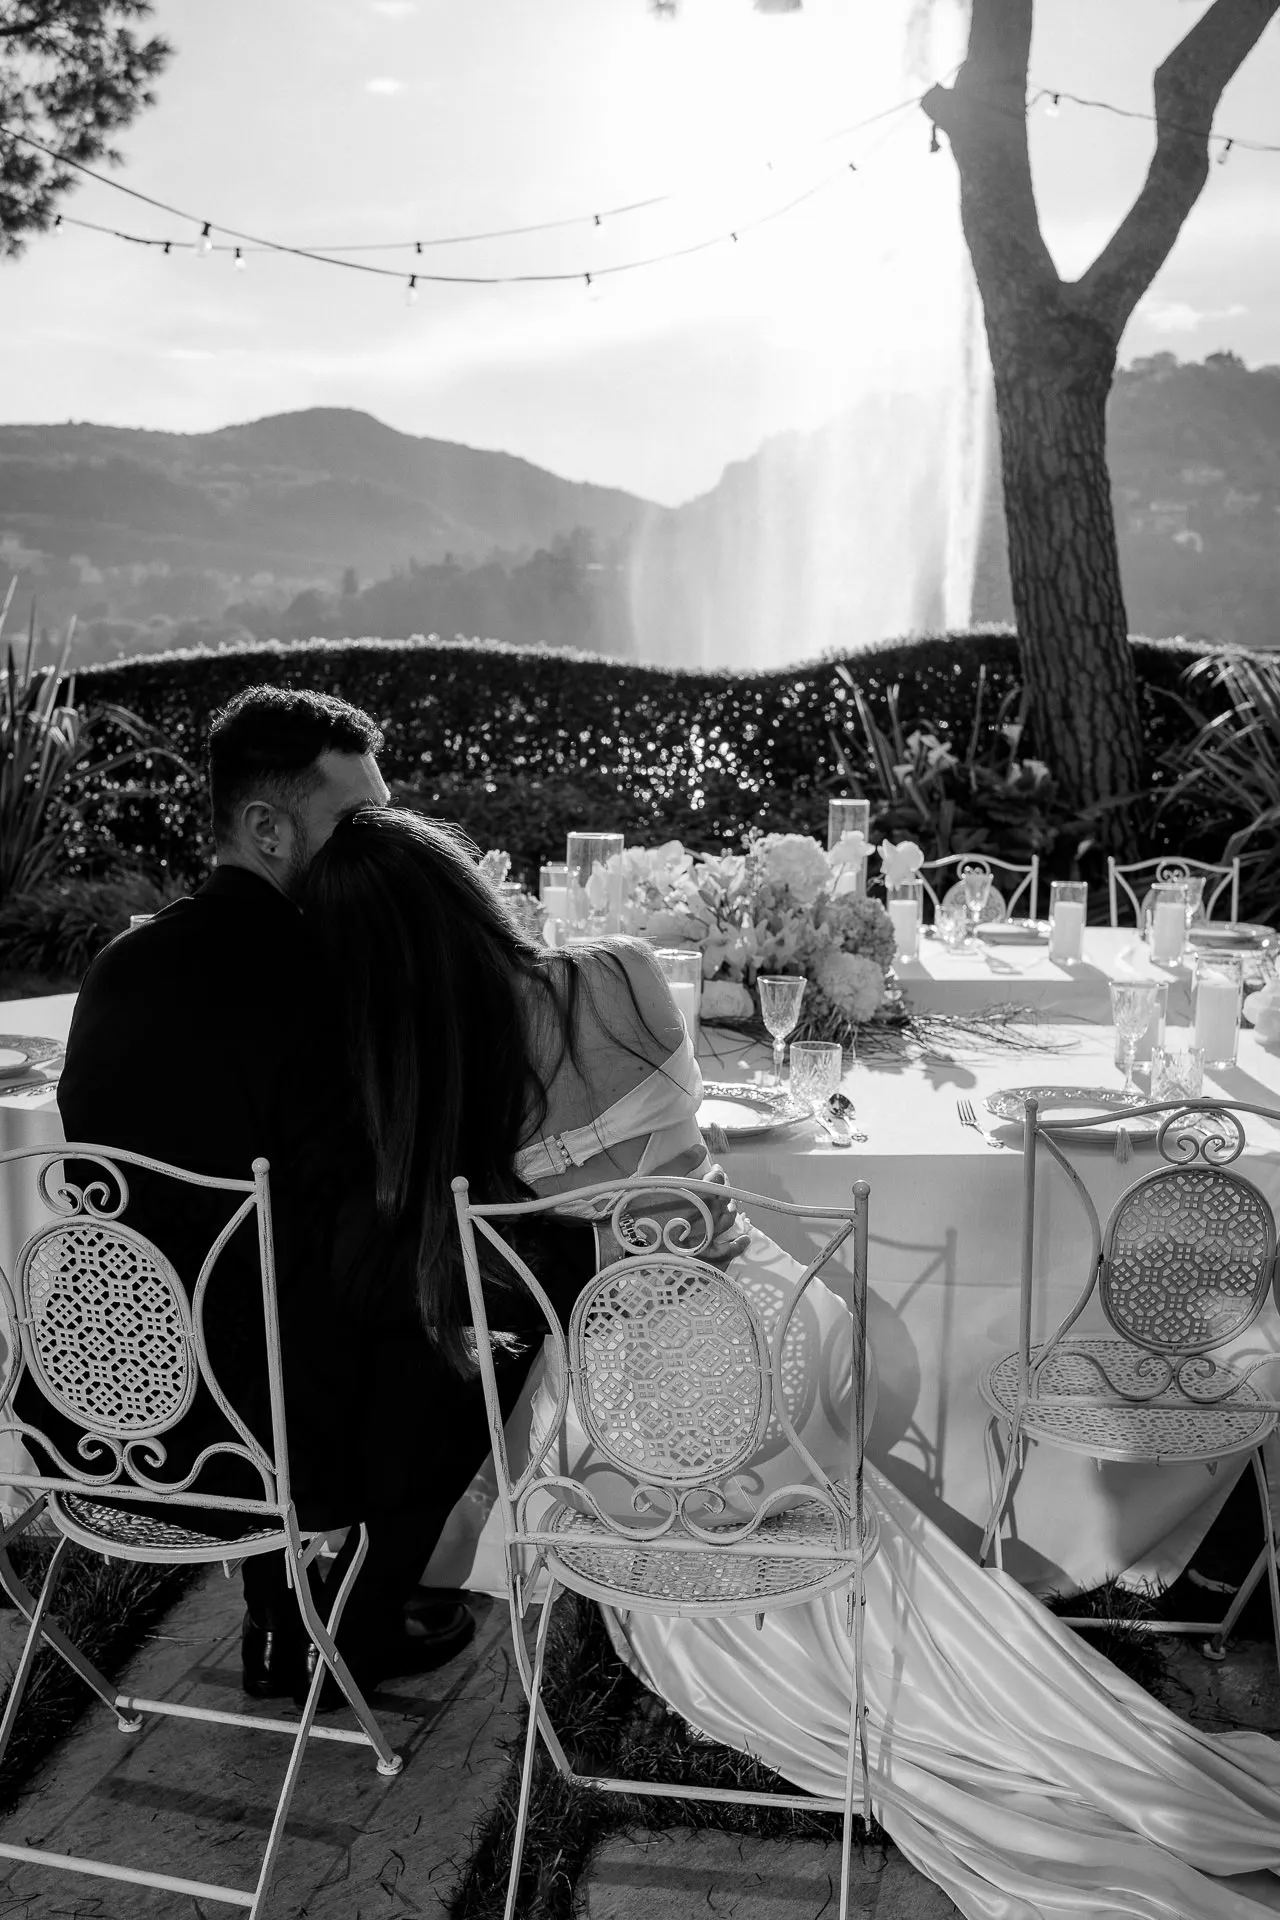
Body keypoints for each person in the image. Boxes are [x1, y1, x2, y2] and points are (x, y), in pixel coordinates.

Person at [305, 805, 1280, 1920]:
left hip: (654, 1378)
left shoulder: (432, 1079)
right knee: (855, 1543)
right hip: (782, 1317)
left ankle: (814, 1652)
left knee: (575, 1451)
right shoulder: (621, 969)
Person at [45, 686, 745, 1705]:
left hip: (102, 1417)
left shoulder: (121, 963)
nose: (378, 844)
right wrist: (606, 1245)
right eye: (354, 823)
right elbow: (388, 1240)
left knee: (277, 1283)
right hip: (265, 1441)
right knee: (495, 1285)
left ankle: (285, 1620)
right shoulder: (336, 986)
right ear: (265, 828)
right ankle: (357, 1620)